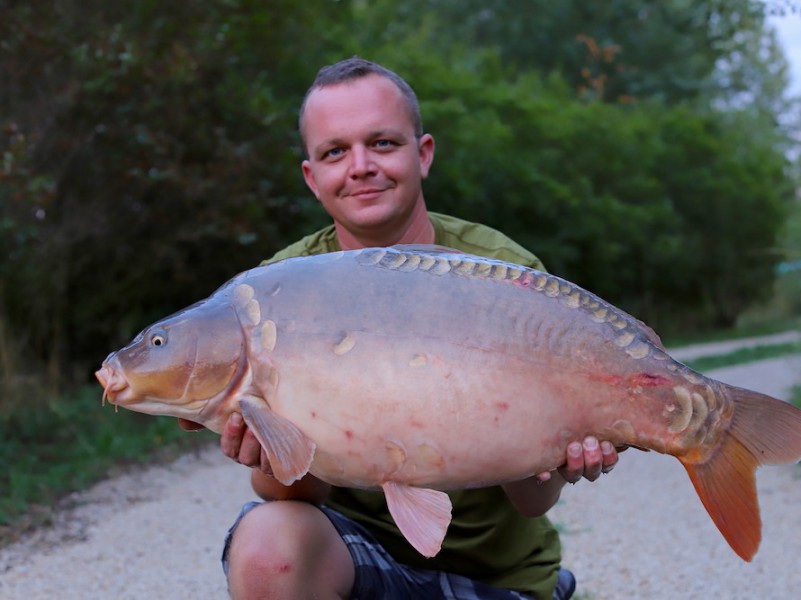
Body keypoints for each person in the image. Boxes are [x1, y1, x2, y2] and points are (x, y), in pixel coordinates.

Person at [190, 57, 622, 600]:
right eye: (334, 152)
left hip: (498, 579)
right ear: (312, 177)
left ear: (423, 154)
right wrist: (270, 444)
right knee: (266, 547)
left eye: (383, 143)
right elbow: (290, 495)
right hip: (356, 559)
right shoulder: (277, 291)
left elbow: (534, 501)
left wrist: (566, 449)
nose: (361, 165)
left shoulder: (501, 275)